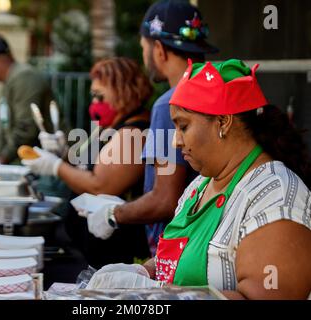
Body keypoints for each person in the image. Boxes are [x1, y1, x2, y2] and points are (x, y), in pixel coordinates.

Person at [86, 59, 311, 300]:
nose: (176, 141)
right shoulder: (200, 186)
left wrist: (162, 295)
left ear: (223, 121)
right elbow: (179, 259)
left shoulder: (276, 200)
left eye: (183, 126)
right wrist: (144, 272)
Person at [86, 0, 219, 257]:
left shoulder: (169, 105)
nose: (143, 54)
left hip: (177, 250)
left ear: (158, 49)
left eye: (143, 46)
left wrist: (114, 214)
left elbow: (165, 200)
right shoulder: (220, 93)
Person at [23, 57, 153, 268]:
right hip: (88, 246)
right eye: (93, 96)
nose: (94, 104)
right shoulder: (111, 126)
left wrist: (56, 166)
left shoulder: (134, 132)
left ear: (125, 91)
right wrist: (63, 153)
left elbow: (100, 184)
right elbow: (87, 165)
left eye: (99, 96)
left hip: (114, 252)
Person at [0, 33, 53, 164]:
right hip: (35, 163)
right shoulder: (11, 81)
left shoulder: (24, 77)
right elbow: (6, 130)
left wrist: (1, 161)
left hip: (47, 165)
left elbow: (26, 128)